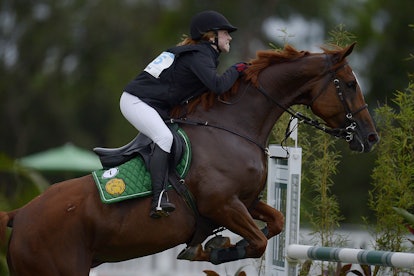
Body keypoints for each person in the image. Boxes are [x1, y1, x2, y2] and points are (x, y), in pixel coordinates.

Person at [120, 10, 248, 218]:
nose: (229, 37)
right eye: (225, 32)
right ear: (210, 35)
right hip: (136, 101)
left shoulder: (201, 54)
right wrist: (237, 68)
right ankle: (158, 199)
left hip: (152, 104)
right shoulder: (199, 55)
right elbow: (217, 86)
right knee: (164, 138)